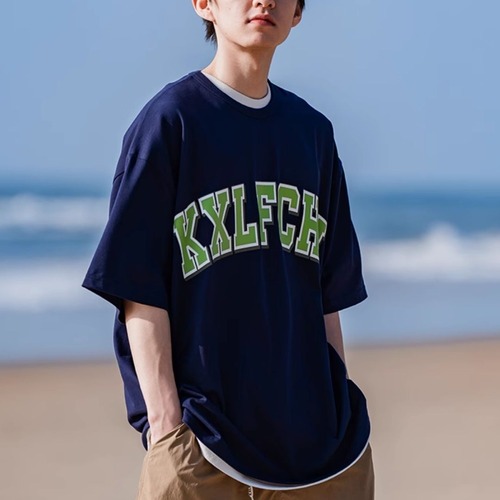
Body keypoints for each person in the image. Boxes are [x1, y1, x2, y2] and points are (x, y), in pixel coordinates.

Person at [82, 0, 374, 498]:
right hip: (205, 449)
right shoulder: (171, 122)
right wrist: (167, 427)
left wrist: (336, 414)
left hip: (318, 457)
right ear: (204, 4)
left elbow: (327, 296)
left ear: (298, 13)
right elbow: (137, 286)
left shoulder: (312, 134)